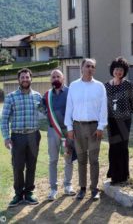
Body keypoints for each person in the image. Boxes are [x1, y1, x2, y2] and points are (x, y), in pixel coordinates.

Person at [64, 58, 107, 200]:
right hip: (77, 127)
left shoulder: (100, 86)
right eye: (87, 66)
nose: (90, 69)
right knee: (81, 159)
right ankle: (82, 188)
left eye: (93, 67)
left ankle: (94, 189)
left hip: (95, 127)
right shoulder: (74, 86)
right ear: (81, 68)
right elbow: (69, 107)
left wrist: (101, 126)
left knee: (94, 159)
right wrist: (69, 127)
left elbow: (103, 108)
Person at [1, 68, 42, 207]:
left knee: (31, 165)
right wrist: (6, 137)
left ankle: (29, 193)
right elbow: (4, 119)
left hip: (33, 136)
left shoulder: (37, 96)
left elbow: (45, 114)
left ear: (31, 79)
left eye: (27, 77)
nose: (25, 79)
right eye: (22, 77)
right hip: (17, 137)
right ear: (19, 80)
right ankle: (18, 194)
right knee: (18, 166)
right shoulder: (11, 97)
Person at [43, 69, 76, 201]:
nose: (56, 78)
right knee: (53, 160)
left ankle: (68, 186)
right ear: (51, 80)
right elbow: (42, 109)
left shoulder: (70, 92)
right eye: (53, 77)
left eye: (58, 76)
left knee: (68, 158)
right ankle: (53, 189)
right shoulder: (47, 95)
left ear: (63, 78)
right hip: (52, 132)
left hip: (67, 132)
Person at [105, 57, 133, 184]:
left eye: (121, 70)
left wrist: (126, 112)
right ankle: (114, 173)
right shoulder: (106, 86)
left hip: (124, 120)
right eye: (117, 69)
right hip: (111, 120)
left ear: (124, 72)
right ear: (113, 70)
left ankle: (123, 174)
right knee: (113, 146)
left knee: (123, 146)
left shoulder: (127, 85)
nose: (119, 72)